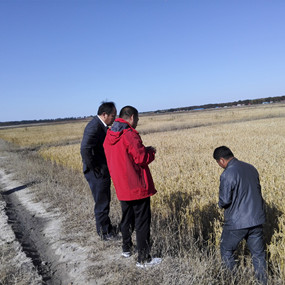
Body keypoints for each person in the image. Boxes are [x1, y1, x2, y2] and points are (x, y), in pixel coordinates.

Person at [103, 105, 161, 268]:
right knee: (142, 222)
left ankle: (126, 248)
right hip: (136, 186)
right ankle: (143, 259)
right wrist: (151, 152)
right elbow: (141, 158)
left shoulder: (110, 134)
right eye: (137, 119)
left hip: (121, 186)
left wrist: (144, 149)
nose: (137, 123)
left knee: (127, 218)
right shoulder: (129, 134)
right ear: (132, 118)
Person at [213, 146, 267, 284]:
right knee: (258, 255)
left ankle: (232, 281)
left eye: (218, 163)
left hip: (237, 223)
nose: (220, 166)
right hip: (256, 220)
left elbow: (225, 200)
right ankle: (262, 282)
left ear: (221, 160)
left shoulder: (228, 174)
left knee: (226, 250)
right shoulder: (251, 168)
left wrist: (219, 204)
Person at [80, 101, 117, 240]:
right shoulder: (94, 126)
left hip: (100, 169)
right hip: (97, 171)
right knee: (102, 201)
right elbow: (85, 149)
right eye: (113, 115)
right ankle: (104, 233)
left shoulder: (100, 125)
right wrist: (93, 167)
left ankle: (106, 228)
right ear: (104, 114)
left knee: (104, 200)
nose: (114, 118)